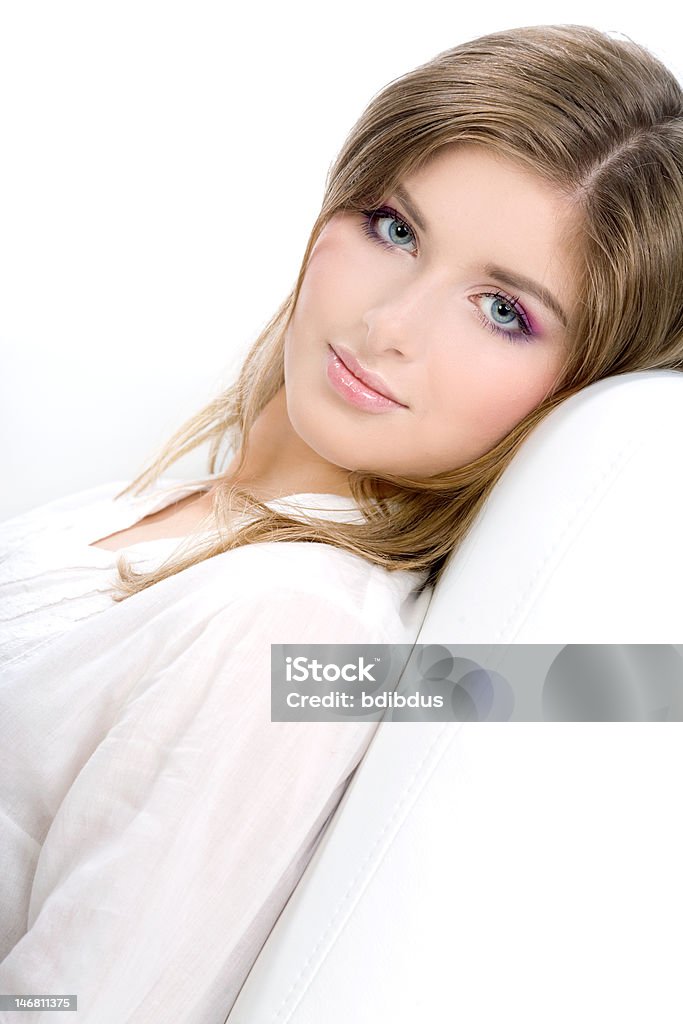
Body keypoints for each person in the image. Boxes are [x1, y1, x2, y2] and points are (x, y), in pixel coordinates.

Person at [1, 21, 682, 1023]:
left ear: (570, 390)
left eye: (503, 310)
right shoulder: (164, 510)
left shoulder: (287, 625)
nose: (387, 325)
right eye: (395, 228)